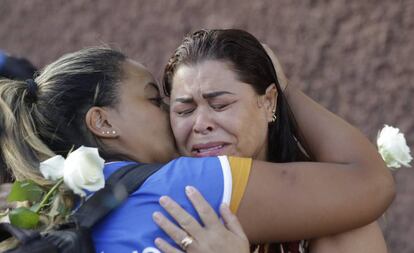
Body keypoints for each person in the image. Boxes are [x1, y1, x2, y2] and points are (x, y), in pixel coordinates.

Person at [0, 46, 393, 253]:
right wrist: (285, 89)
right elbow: (367, 184)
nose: (171, 112)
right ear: (103, 122)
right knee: (349, 223)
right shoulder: (182, 188)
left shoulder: (51, 214)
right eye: (155, 100)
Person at [161, 29, 390, 252]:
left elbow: (371, 180)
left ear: (269, 101)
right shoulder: (161, 209)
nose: (200, 124)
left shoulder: (339, 218)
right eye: (184, 111)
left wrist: (287, 91)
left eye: (220, 105)